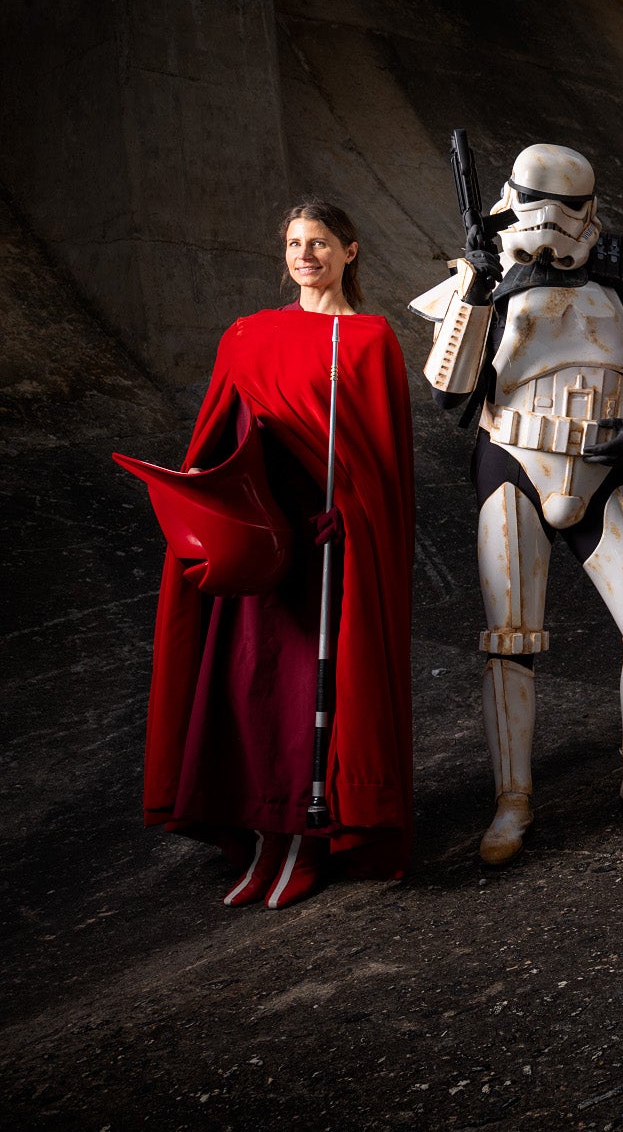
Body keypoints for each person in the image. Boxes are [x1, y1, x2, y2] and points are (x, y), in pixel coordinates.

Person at [123, 201, 415, 910]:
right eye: (293, 242)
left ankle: (306, 841)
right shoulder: (248, 335)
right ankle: (262, 836)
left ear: (350, 250)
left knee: (311, 697)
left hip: (327, 548)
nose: (304, 254)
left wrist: (352, 516)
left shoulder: (370, 340)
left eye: (318, 242)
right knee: (252, 694)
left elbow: (382, 468)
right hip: (264, 543)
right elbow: (220, 440)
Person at [410, 142, 623, 867]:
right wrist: (475, 288)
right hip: (515, 463)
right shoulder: (485, 268)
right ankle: (513, 802)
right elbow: (451, 392)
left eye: (570, 208)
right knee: (512, 645)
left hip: (601, 466)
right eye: (541, 205)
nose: (554, 223)